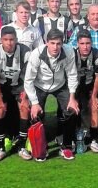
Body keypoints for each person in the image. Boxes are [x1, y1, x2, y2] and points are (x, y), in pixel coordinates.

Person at [23, 29, 80, 161]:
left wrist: (72, 98)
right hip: (39, 86)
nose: (55, 47)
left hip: (60, 86)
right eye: (52, 43)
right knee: (35, 113)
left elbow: (72, 75)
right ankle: (39, 147)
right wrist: (35, 103)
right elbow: (28, 80)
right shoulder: (36, 54)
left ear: (62, 43)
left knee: (71, 110)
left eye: (58, 43)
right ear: (46, 42)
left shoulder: (69, 51)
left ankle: (66, 146)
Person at [0, 26, 32, 161]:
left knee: (25, 108)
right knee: (0, 109)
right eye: (6, 40)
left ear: (16, 40)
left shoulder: (25, 52)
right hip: (1, 86)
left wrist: (25, 95)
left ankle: (21, 145)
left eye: (12, 40)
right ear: (1, 40)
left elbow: (27, 76)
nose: (9, 43)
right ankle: (2, 146)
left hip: (19, 85)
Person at [72, 29, 98, 154]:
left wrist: (93, 97)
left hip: (90, 87)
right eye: (82, 44)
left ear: (91, 43)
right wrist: (72, 96)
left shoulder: (97, 55)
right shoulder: (72, 54)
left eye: (88, 43)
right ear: (77, 44)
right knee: (71, 108)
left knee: (94, 107)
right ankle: (72, 137)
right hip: (74, 88)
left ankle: (94, 138)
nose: (85, 47)